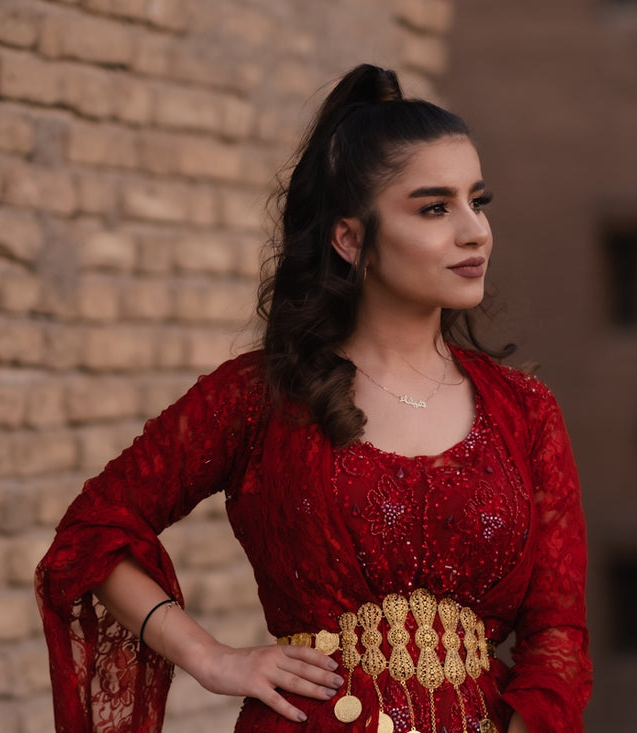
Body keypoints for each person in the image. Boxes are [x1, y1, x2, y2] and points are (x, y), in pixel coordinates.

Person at [36, 64, 591, 733]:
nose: (476, 231)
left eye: (479, 200)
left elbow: (558, 633)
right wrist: (209, 657)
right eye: (435, 207)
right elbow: (94, 529)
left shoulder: (526, 411)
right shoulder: (260, 397)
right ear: (350, 238)